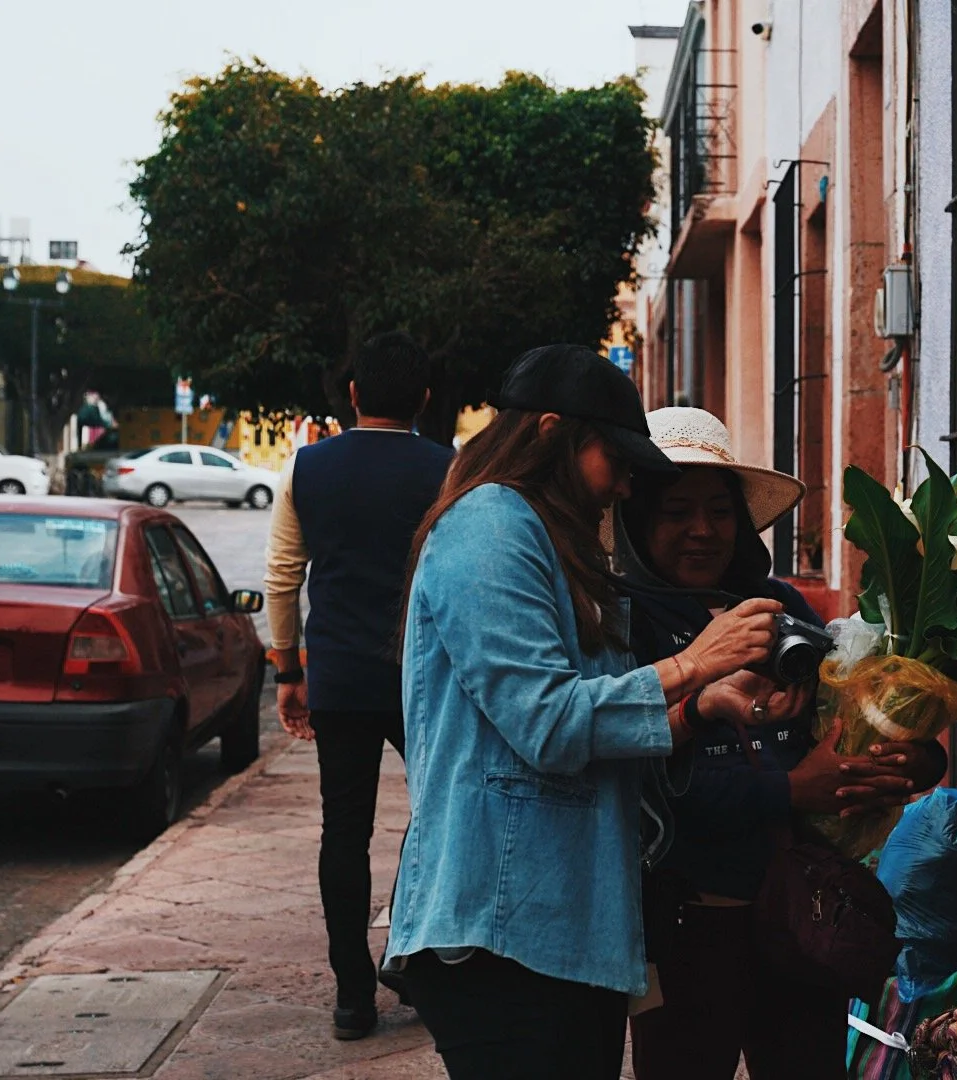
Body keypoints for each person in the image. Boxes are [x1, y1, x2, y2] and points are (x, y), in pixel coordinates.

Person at [388, 348, 783, 1080]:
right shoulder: (489, 527)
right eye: (618, 460)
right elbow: (549, 722)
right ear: (549, 434)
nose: (628, 482)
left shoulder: (547, 539)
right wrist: (693, 662)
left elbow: (601, 726)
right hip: (503, 932)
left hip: (569, 927)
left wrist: (699, 707)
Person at [617, 408, 947, 1080]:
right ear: (639, 521)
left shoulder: (782, 608)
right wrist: (793, 788)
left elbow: (846, 726)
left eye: (719, 510)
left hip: (803, 919)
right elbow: (642, 782)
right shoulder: (623, 627)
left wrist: (913, 760)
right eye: (677, 511)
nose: (702, 530)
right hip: (685, 925)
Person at [262, 330, 453, 1040]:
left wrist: (289, 670)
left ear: (352, 394)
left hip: (338, 674)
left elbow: (282, 576)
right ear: (425, 399)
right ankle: (409, 955)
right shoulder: (450, 469)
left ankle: (350, 997)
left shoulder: (307, 468)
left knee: (343, 830)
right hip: (424, 676)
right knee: (438, 815)